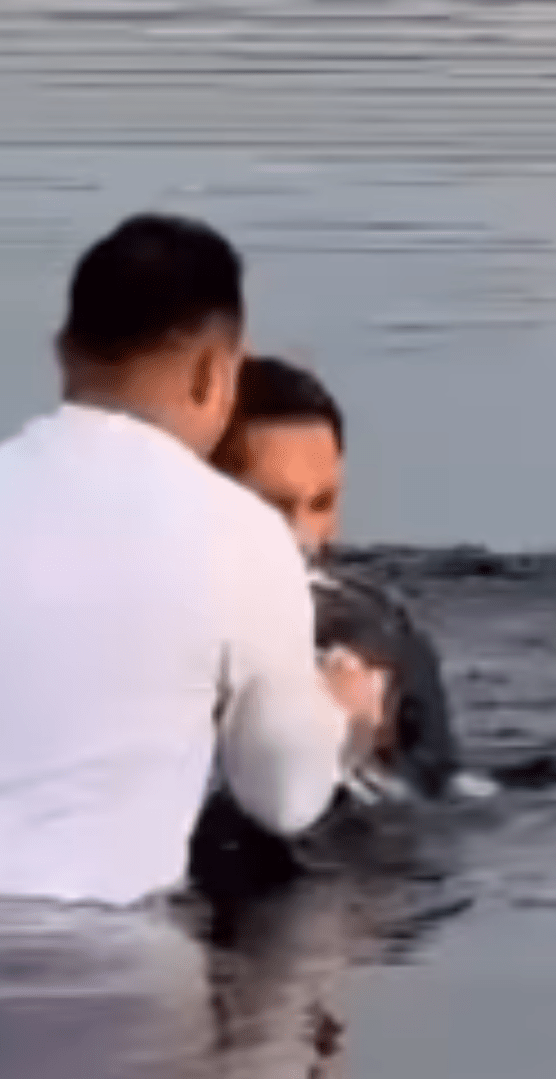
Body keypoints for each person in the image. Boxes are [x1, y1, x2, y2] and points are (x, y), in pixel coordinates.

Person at [0, 214, 384, 907]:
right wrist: (345, 722)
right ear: (213, 372)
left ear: (61, 355)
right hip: (93, 966)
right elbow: (284, 803)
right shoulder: (237, 531)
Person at [191, 356, 493, 903]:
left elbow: (440, 801)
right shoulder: (137, 632)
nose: (305, 537)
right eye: (274, 507)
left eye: (323, 503)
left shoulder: (379, 633)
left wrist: (365, 750)